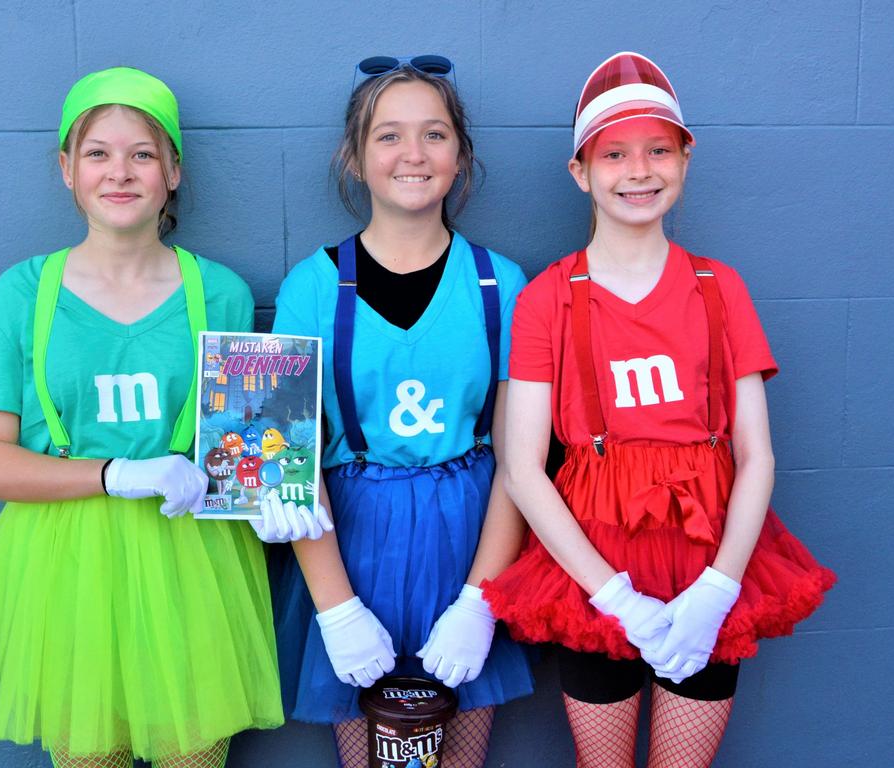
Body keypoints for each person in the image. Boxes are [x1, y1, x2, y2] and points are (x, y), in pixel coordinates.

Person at [0, 66, 328, 768]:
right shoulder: (22, 293)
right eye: (97, 153)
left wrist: (279, 493)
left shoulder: (221, 293)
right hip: (63, 569)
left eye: (142, 154)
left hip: (190, 564)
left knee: (193, 756)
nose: (119, 173)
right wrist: (115, 471)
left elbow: (247, 451)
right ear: (66, 169)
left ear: (173, 171)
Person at [482, 52, 836, 767]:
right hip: (593, 567)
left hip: (710, 556)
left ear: (685, 159)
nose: (638, 171)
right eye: (614, 154)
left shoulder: (719, 288)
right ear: (581, 171)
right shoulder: (548, 297)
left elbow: (756, 455)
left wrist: (719, 589)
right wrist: (615, 596)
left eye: (657, 151)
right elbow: (522, 467)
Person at [269, 56, 534, 768]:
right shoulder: (312, 287)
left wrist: (481, 600)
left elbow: (521, 462)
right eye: (389, 136)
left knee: (459, 757)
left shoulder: (501, 285)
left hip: (471, 536)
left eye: (434, 135)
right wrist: (337, 608)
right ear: (355, 157)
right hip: (354, 542)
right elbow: (280, 462)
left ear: (460, 155)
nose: (413, 154)